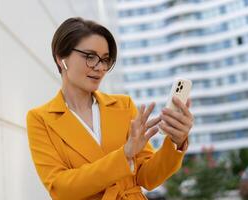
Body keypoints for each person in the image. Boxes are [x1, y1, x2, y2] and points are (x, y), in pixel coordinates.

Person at [26, 17, 193, 200]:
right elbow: (61, 188)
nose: (100, 67)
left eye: (105, 60)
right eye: (90, 57)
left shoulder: (124, 106)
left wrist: (176, 142)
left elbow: (147, 178)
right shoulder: (41, 119)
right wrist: (124, 156)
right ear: (61, 58)